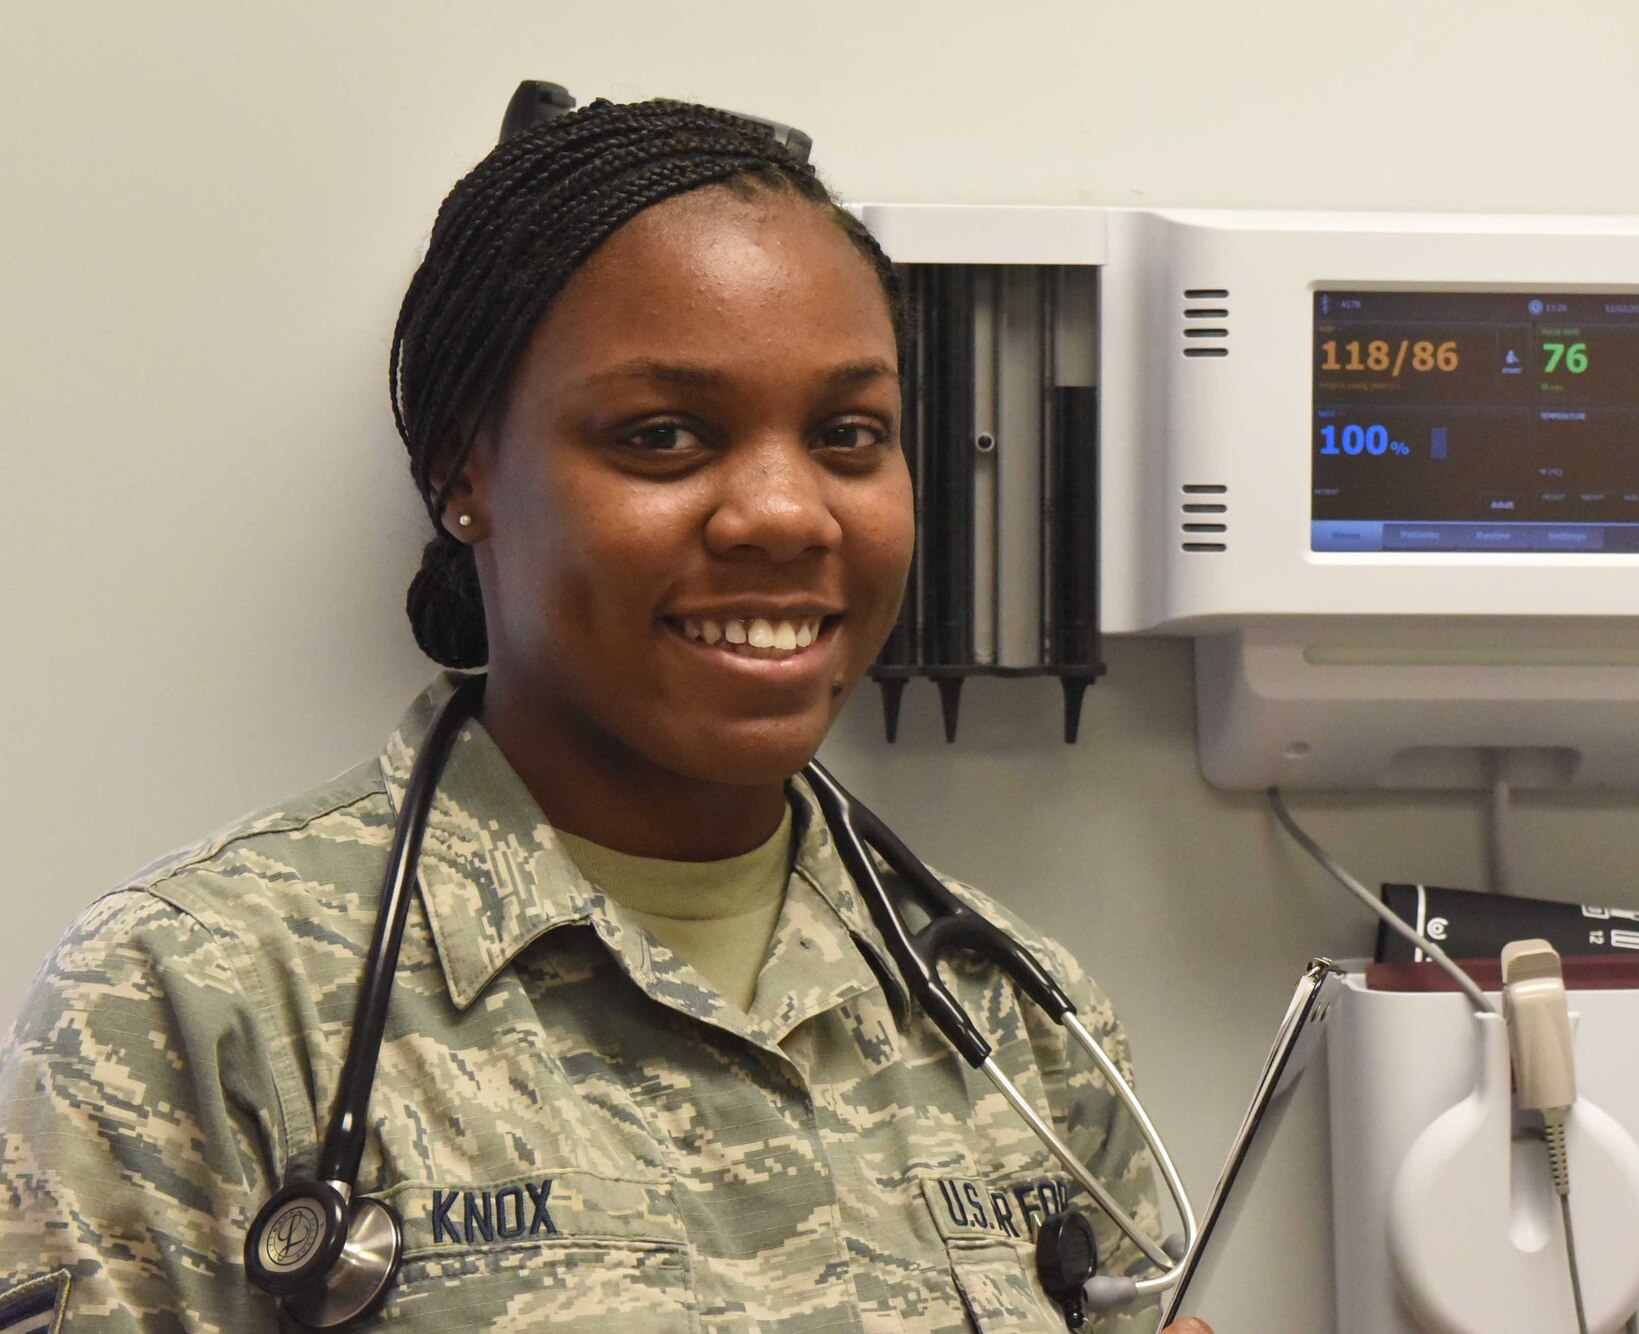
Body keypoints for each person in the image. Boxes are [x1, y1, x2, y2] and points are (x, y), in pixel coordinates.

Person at [0, 98, 1209, 1332]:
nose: (787, 514)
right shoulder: (201, 998)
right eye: (664, 435)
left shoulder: (1018, 1017)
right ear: (466, 474)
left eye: (849, 434)